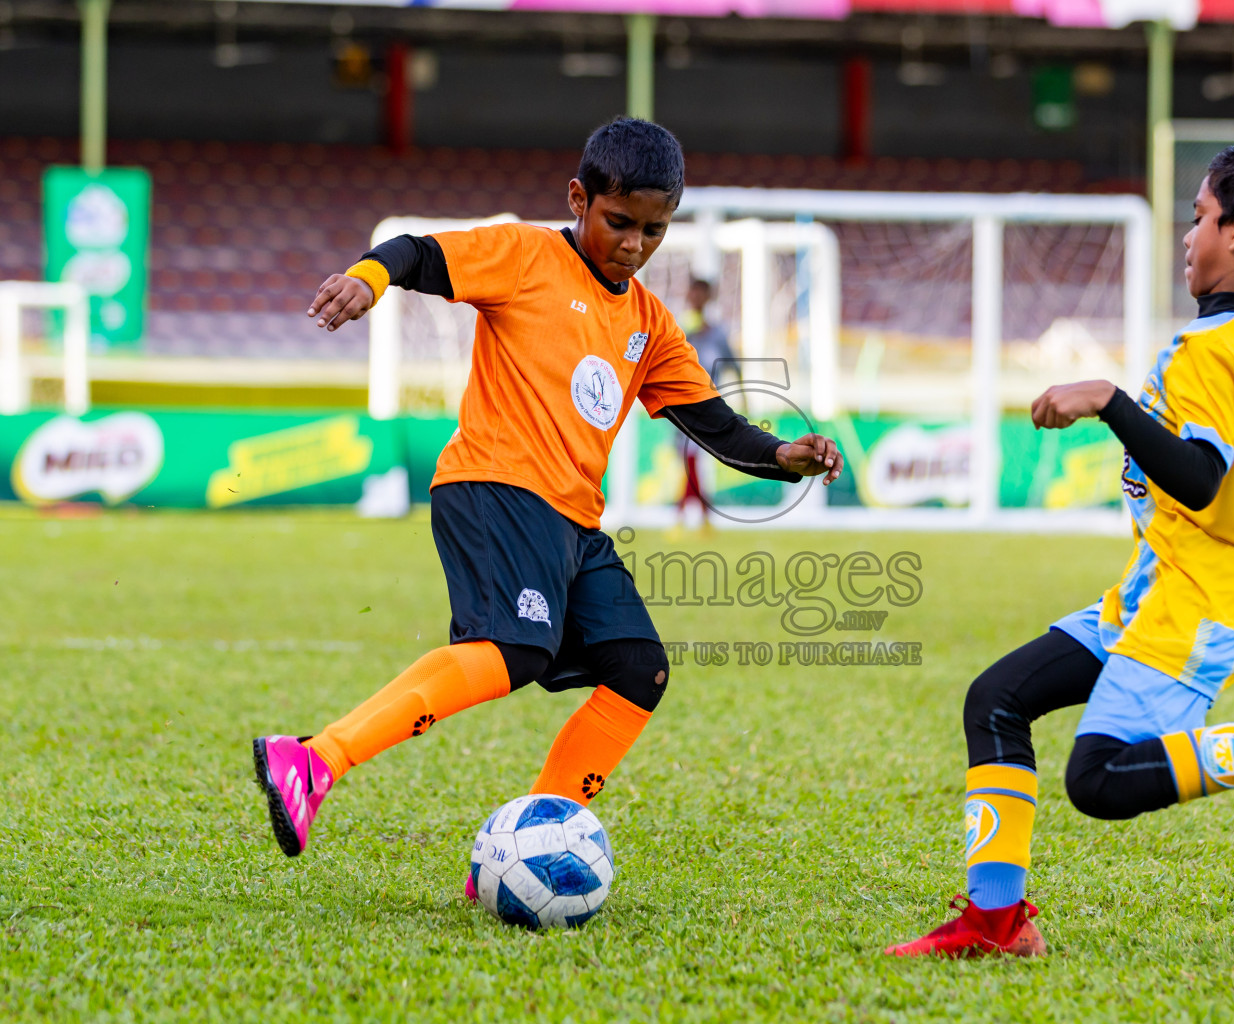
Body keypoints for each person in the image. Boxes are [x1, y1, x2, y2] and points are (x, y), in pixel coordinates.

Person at [252, 118, 844, 880]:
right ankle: (314, 759)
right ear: (578, 198)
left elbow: (715, 425)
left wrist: (783, 456)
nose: (633, 245)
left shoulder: (651, 324)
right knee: (515, 651)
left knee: (639, 668)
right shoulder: (527, 255)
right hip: (494, 484)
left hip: (573, 523)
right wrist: (365, 281)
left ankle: (517, 852)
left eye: (653, 231)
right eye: (619, 222)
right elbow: (418, 255)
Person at [885, 143, 1234, 960]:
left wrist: (1107, 399)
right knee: (995, 700)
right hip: (1165, 587)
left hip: (1204, 599)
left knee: (1097, 781)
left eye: (1200, 216)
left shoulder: (1213, 351)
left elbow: (1203, 481)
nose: (1188, 233)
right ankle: (996, 924)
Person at [674, 278, 736, 532]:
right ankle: (703, 517)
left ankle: (683, 516)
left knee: (692, 461)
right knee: (689, 461)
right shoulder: (679, 327)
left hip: (707, 405)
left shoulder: (717, 332)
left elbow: (732, 362)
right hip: (679, 403)